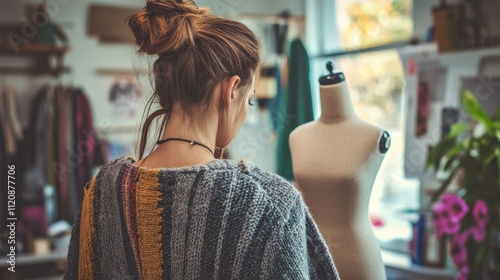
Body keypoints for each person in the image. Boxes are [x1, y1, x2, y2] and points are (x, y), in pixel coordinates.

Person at [63, 1, 340, 279]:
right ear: (231, 90)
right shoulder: (271, 204)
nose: (245, 112)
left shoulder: (102, 192)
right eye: (250, 100)